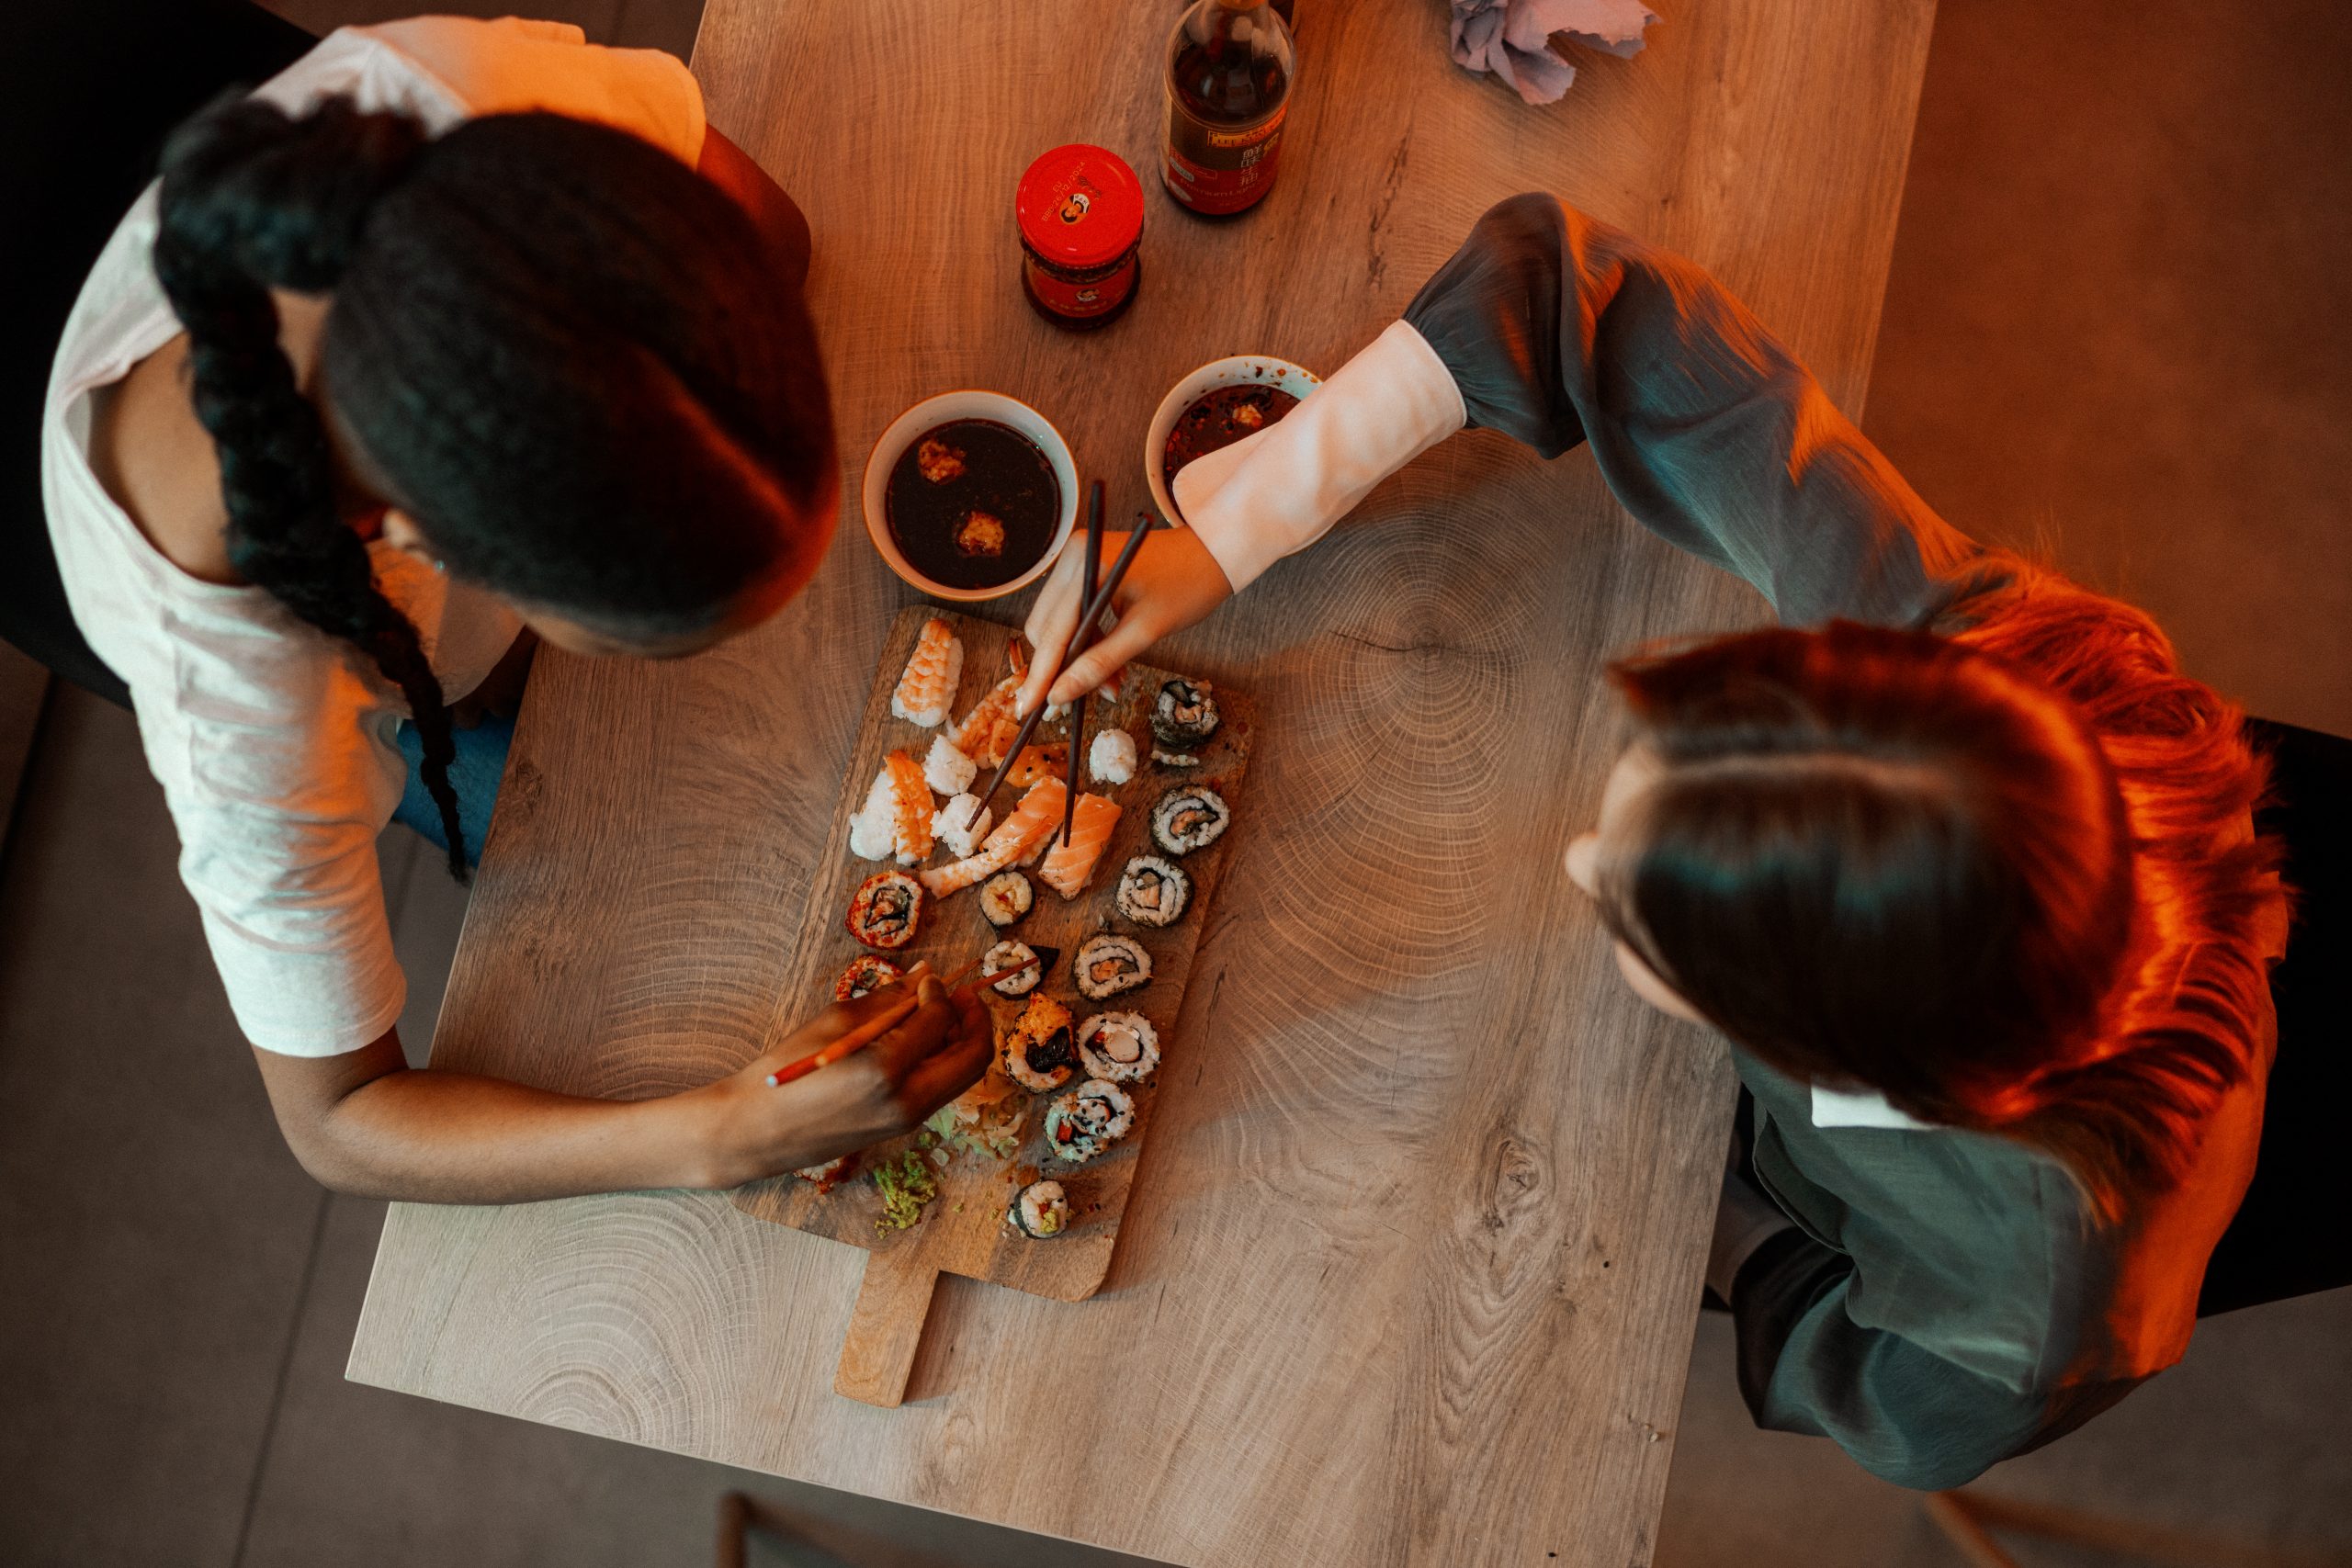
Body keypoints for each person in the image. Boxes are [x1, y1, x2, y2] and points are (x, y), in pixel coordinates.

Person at [1019, 194, 2290, 1488]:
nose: (1579, 864)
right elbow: (1575, 287)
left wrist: (1716, 1220)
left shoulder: (2033, 1314)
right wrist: (1230, 534)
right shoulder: (1976, 683)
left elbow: (1877, 1402)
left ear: (1816, 1046)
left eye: (1649, 921)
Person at [42, 17, 989, 1201]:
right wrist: (718, 1137)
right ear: (431, 558)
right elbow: (341, 1122)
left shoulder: (476, 110)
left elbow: (770, 231)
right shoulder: (243, 721)